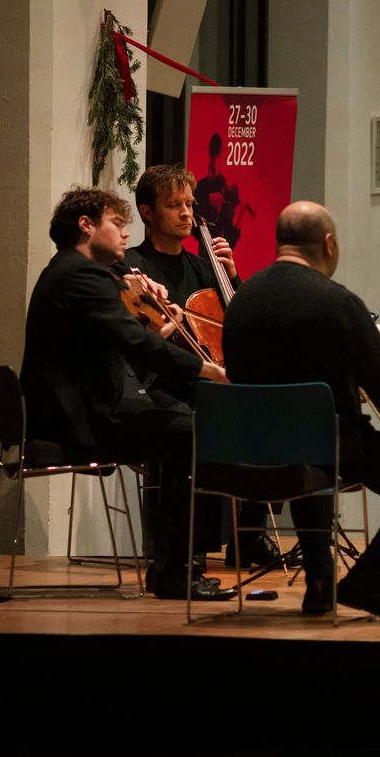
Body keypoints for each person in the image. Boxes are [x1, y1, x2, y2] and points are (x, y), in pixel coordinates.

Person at [222, 201, 380, 621]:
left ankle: (320, 583)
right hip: (332, 445)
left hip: (250, 449)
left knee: (307, 457)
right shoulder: (336, 302)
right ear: (328, 243)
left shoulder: (242, 300)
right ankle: (366, 580)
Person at [20, 187, 233, 601]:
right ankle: (174, 572)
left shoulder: (67, 270)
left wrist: (148, 305)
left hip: (78, 408)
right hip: (80, 417)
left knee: (181, 430)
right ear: (85, 225)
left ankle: (169, 569)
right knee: (190, 433)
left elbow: (126, 332)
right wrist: (207, 369)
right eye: (116, 224)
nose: (123, 235)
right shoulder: (83, 275)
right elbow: (135, 341)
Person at [122, 164, 280, 569]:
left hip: (206, 378)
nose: (186, 214)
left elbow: (242, 325)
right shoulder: (131, 268)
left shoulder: (203, 267)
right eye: (174, 205)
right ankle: (186, 543)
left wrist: (232, 276)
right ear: (147, 212)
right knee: (202, 420)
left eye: (189, 204)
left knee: (267, 413)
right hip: (158, 384)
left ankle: (250, 534)